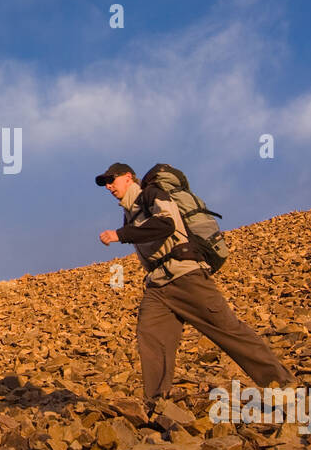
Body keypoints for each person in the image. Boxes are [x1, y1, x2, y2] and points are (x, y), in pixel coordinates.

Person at [95, 162, 295, 415]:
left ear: (128, 177)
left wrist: (120, 234)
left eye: (112, 179)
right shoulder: (130, 212)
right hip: (158, 284)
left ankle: (282, 383)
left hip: (186, 276)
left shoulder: (151, 194)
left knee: (227, 330)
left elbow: (166, 224)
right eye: (105, 183)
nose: (109, 186)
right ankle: (158, 405)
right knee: (152, 337)